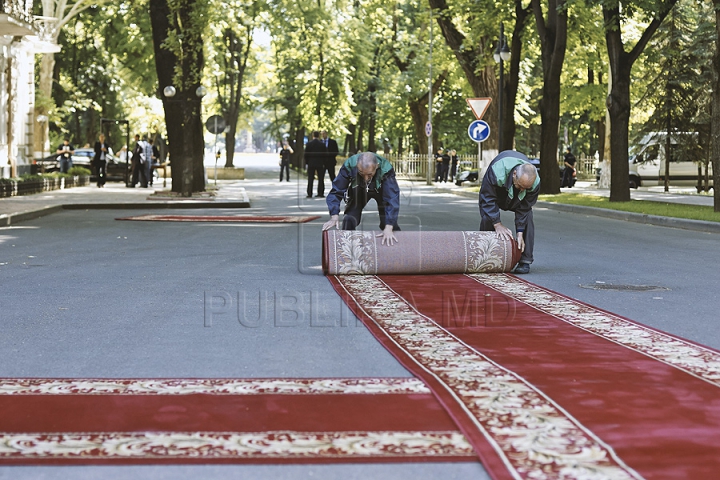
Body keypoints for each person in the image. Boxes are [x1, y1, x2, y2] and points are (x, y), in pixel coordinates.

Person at [479, 150, 540, 274]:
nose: (523, 189)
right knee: (488, 217)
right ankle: (486, 257)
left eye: (526, 188)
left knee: (527, 216)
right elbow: (487, 199)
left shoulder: (534, 182)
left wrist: (520, 232)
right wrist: (497, 224)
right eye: (520, 186)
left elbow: (524, 208)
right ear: (514, 174)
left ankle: (525, 260)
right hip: (499, 193)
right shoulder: (497, 171)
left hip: (516, 199)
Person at [322, 152, 400, 246]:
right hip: (360, 188)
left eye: (370, 174)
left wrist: (388, 227)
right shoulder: (349, 165)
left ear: (377, 166)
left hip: (381, 189)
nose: (366, 178)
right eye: (361, 173)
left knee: (388, 222)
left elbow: (392, 199)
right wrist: (334, 215)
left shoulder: (386, 169)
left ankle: (397, 247)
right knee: (349, 219)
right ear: (357, 166)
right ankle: (346, 247)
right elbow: (336, 191)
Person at [304, 130, 327, 198]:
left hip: (311, 163)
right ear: (319, 136)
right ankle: (320, 193)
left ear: (313, 135)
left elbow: (306, 154)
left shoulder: (309, 144)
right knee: (321, 179)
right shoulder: (322, 144)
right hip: (320, 163)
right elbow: (325, 155)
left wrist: (307, 162)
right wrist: (324, 163)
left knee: (310, 178)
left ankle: (309, 193)